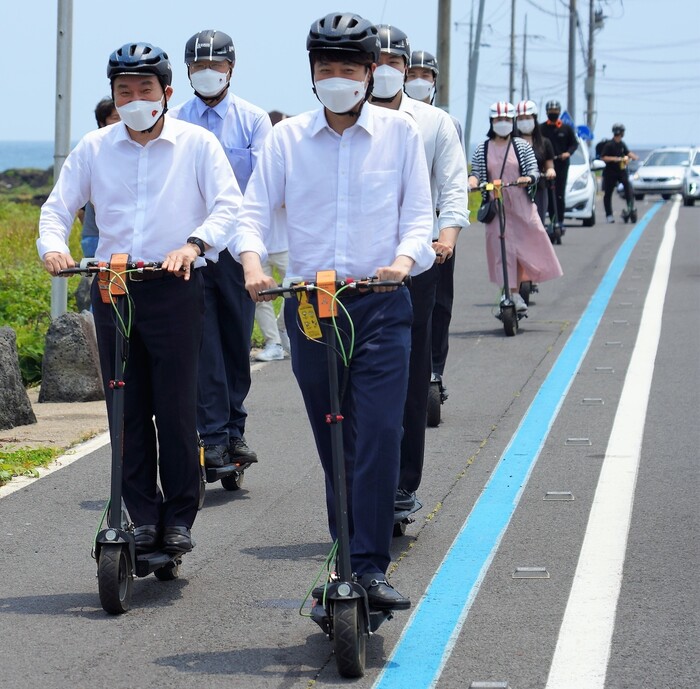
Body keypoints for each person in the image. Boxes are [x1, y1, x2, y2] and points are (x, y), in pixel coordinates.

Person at [232, 12, 436, 610]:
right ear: (312, 74)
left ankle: (369, 569)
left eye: (349, 69)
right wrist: (252, 264)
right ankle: (346, 560)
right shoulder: (287, 138)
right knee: (335, 438)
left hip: (379, 303)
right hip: (311, 307)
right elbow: (252, 212)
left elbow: (419, 218)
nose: (337, 79)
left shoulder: (401, 136)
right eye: (327, 69)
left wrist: (402, 260)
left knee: (378, 433)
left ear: (372, 73)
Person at [37, 42, 242, 554]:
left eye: (143, 89)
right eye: (123, 90)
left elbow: (228, 207)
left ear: (166, 93)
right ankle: (141, 516)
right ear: (112, 95)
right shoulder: (94, 147)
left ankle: (178, 518)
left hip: (174, 285)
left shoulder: (196, 144)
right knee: (125, 410)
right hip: (113, 287)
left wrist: (194, 245)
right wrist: (55, 249)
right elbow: (57, 208)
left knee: (175, 410)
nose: (133, 99)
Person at [369, 25, 469, 515]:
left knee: (410, 373)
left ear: (407, 69)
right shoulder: (348, 120)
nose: (385, 69)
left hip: (419, 263)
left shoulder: (433, 122)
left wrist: (446, 236)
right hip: (361, 266)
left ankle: (403, 484)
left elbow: (452, 187)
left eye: (394, 60)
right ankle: (359, 482)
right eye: (377, 59)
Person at [169, 30, 272, 468]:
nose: (207, 73)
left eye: (215, 66)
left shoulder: (253, 120)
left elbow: (264, 187)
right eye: (198, 67)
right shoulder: (174, 120)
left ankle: (234, 430)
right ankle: (211, 437)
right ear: (188, 72)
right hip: (190, 250)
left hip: (238, 250)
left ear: (231, 69)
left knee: (236, 343)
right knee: (202, 344)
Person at [404, 47, 466, 401]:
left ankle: (434, 369)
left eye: (425, 76)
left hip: (436, 231)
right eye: (411, 73)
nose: (417, 81)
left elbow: (453, 180)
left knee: (438, 305)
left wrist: (448, 234)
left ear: (435, 82)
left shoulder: (445, 123)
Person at [469, 102, 563, 312]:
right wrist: (473, 182)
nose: (501, 124)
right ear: (491, 122)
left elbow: (533, 170)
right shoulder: (482, 148)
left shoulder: (521, 146)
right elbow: (476, 172)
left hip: (521, 205)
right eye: (497, 120)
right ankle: (508, 291)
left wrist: (527, 178)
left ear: (512, 122)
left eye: (505, 120)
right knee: (501, 249)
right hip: (496, 206)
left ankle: (518, 290)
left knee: (525, 247)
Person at [77, 97, 121, 260]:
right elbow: (80, 208)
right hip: (99, 239)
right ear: (102, 122)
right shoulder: (94, 148)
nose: (121, 121)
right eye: (115, 117)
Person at [539, 99, 578, 236]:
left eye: (555, 112)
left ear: (559, 112)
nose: (553, 114)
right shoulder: (541, 128)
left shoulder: (566, 128)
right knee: (546, 193)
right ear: (546, 112)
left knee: (559, 194)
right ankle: (545, 220)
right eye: (550, 112)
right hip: (545, 165)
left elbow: (574, 144)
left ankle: (559, 221)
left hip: (561, 165)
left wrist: (568, 153)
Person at [515, 100, 555, 225]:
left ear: (534, 118)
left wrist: (550, 171)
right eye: (520, 118)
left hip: (538, 187)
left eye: (527, 117)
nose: (524, 121)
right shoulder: (512, 142)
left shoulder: (544, 143)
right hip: (516, 189)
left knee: (537, 224)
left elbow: (549, 165)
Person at [600, 123, 638, 223]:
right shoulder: (609, 144)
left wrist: (634, 157)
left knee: (628, 187)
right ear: (620, 132)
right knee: (608, 193)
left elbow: (627, 152)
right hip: (610, 172)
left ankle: (630, 207)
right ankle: (609, 215)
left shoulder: (621, 144)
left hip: (621, 171)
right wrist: (616, 159)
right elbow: (603, 157)